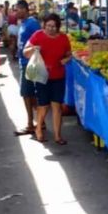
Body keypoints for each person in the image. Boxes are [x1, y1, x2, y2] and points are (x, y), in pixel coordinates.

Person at [24, 14, 71, 144]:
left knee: (57, 106)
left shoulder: (63, 38)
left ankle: (57, 135)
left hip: (58, 76)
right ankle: (38, 129)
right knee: (43, 105)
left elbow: (69, 54)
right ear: (44, 25)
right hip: (41, 76)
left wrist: (66, 59)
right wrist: (33, 48)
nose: (51, 29)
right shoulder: (38, 35)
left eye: (54, 26)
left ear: (58, 27)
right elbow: (25, 52)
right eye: (48, 26)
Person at [14, 0, 42, 136]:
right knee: (30, 94)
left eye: (17, 9)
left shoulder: (32, 23)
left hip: (29, 63)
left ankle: (31, 124)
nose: (16, 12)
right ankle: (39, 122)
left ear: (25, 9)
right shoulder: (24, 23)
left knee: (27, 94)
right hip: (24, 61)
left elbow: (40, 40)